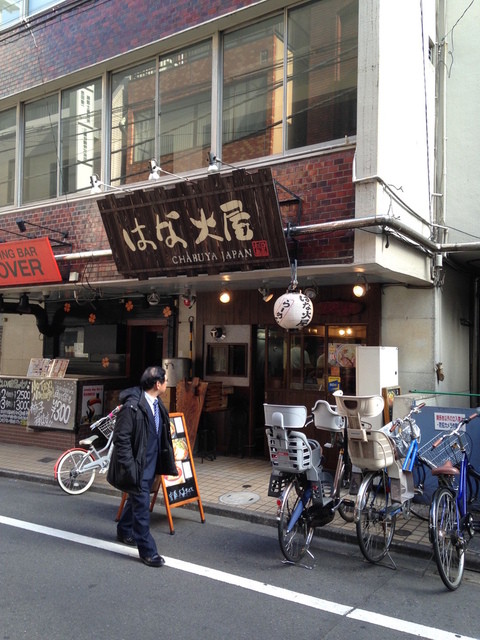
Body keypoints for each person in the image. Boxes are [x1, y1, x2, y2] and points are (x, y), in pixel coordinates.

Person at [107, 365, 177, 567]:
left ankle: (124, 529)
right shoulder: (132, 407)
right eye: (165, 380)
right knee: (142, 506)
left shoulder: (156, 403)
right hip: (137, 466)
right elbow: (121, 439)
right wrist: (130, 467)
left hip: (151, 463)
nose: (166, 383)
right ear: (157, 384)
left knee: (137, 498)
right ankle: (148, 551)